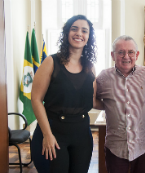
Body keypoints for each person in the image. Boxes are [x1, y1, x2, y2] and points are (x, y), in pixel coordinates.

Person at [31, 15, 99, 173]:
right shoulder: (50, 62)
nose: (79, 33)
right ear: (67, 33)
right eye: (74, 29)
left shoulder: (90, 67)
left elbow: (93, 101)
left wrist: (120, 102)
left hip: (82, 136)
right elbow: (36, 99)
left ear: (89, 37)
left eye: (84, 30)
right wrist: (47, 135)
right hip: (53, 133)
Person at [95, 35, 145, 173]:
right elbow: (92, 100)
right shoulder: (103, 77)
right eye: (120, 52)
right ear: (112, 55)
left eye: (130, 52)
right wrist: (109, 106)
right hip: (116, 147)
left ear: (137, 54)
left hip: (143, 146)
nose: (126, 56)